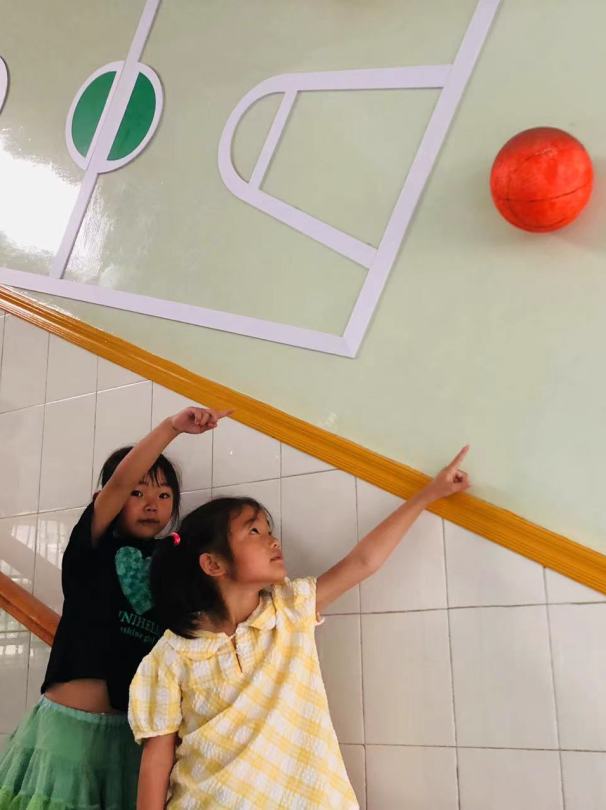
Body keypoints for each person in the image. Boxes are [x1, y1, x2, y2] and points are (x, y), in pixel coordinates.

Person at [129, 446, 471, 809]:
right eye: (254, 531)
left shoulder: (289, 610)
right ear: (213, 564)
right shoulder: (170, 656)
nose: (273, 540)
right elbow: (157, 760)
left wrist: (428, 494)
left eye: (269, 530)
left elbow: (363, 562)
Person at [0, 405, 230, 810]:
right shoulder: (92, 547)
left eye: (164, 496)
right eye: (137, 494)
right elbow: (121, 480)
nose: (151, 504)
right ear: (106, 498)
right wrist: (171, 428)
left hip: (131, 738)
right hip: (66, 731)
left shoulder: (171, 564)